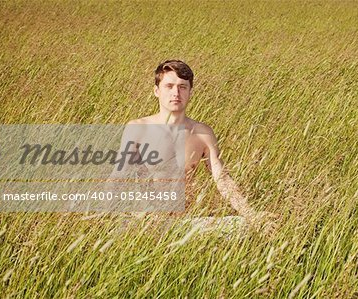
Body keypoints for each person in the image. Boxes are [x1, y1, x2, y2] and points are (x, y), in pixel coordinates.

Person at [113, 60, 278, 235]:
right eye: (169, 86)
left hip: (187, 223)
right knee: (119, 228)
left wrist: (252, 215)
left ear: (190, 92)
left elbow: (222, 179)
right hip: (146, 223)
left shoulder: (202, 133)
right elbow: (118, 176)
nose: (176, 93)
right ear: (156, 91)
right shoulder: (138, 128)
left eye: (182, 87)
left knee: (245, 226)